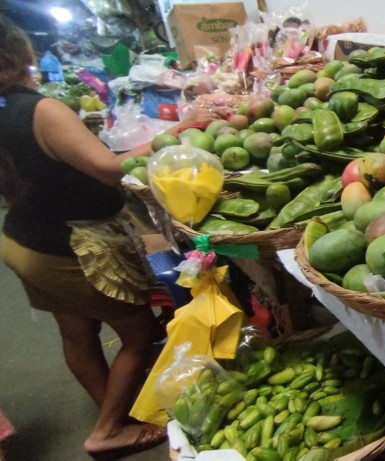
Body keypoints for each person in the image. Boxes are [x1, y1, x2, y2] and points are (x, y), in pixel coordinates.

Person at [0, 15, 222, 459]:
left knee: (77, 332)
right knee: (139, 333)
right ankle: (107, 431)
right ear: (20, 53)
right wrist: (181, 129)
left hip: (24, 239)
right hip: (71, 244)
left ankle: (113, 406)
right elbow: (107, 168)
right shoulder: (41, 110)